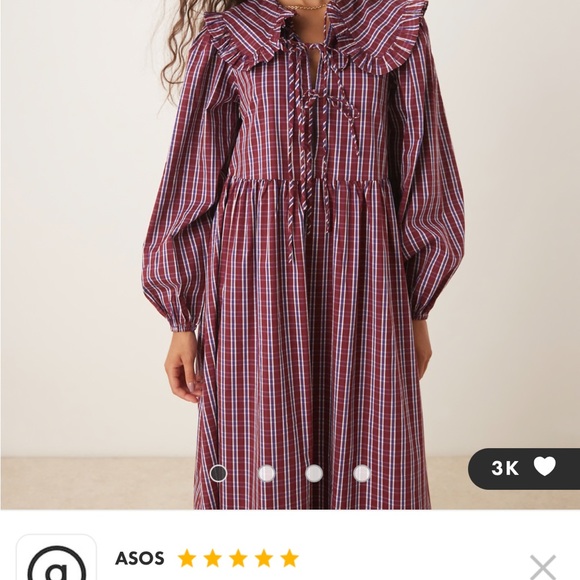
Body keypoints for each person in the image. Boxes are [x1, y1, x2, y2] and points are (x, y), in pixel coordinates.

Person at [142, 0, 465, 509]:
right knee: (260, 442)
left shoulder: (392, 30)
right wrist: (181, 321)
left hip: (366, 275)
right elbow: (193, 179)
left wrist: (418, 309)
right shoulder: (230, 37)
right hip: (255, 277)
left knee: (372, 432)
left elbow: (424, 168)